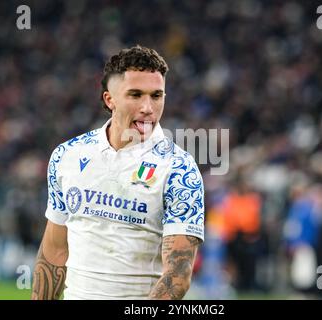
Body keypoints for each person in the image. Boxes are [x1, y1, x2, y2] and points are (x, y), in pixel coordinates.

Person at [31, 45, 204, 300]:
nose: (148, 107)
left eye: (157, 96)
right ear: (109, 99)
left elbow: (177, 276)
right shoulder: (67, 155)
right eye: (135, 95)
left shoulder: (179, 169)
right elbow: (54, 254)